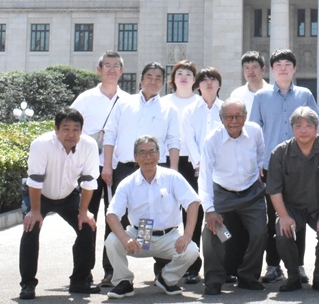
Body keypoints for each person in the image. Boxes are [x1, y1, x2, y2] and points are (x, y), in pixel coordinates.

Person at [249, 48, 319, 284]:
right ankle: (272, 265)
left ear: (294, 69)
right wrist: (257, 162)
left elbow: (314, 127)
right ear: (271, 69)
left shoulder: (305, 95)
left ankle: (297, 265)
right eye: (278, 64)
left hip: (300, 166)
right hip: (270, 165)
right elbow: (254, 133)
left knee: (297, 216)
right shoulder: (260, 97)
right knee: (274, 216)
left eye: (287, 64)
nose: (283, 68)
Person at [103, 135, 201, 298]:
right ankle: (123, 282)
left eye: (152, 152)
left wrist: (187, 235)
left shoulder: (172, 177)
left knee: (192, 250)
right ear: (135, 157)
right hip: (142, 233)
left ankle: (167, 279)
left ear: (159, 154)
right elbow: (112, 214)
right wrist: (125, 238)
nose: (148, 157)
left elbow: (193, 203)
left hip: (168, 234)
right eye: (142, 153)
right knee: (112, 240)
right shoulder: (128, 183)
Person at [18, 107, 100, 300]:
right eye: (65, 128)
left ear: (82, 130)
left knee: (87, 226)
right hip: (39, 195)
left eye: (75, 129)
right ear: (56, 129)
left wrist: (83, 212)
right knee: (31, 228)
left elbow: (88, 182)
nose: (71, 134)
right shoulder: (41, 144)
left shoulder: (89, 145)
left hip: (69, 194)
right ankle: (28, 284)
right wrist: (35, 212)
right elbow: (35, 180)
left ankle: (80, 280)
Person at [265, 106, 319, 293]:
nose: (303, 130)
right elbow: (274, 190)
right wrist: (283, 216)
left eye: (308, 125)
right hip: (292, 207)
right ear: (292, 128)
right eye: (298, 125)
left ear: (316, 128)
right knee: (281, 231)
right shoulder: (280, 153)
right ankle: (293, 277)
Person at [199, 100, 268, 295]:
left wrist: (256, 175)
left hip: (251, 193)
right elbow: (204, 176)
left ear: (246, 117)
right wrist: (210, 210)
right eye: (228, 117)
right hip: (222, 194)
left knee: (259, 233)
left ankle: (248, 276)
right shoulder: (212, 139)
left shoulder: (255, 131)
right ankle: (214, 279)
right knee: (214, 234)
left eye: (238, 116)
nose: (234, 121)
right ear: (221, 119)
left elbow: (260, 155)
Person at [69, 50, 124, 287]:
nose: (112, 69)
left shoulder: (128, 100)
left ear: (122, 71)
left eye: (116, 66)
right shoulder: (85, 99)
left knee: (115, 218)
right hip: (89, 169)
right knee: (86, 220)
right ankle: (82, 273)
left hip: (117, 168)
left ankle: (111, 271)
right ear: (98, 69)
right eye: (107, 65)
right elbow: (69, 129)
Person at [101, 62, 180, 191]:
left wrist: (174, 171)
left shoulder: (170, 109)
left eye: (158, 78)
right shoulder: (123, 103)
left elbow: (174, 141)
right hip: (124, 169)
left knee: (155, 210)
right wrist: (107, 166)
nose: (153, 81)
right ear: (141, 79)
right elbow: (110, 134)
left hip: (156, 171)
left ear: (163, 83)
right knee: (121, 210)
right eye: (149, 77)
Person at [180, 67, 224, 283]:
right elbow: (188, 139)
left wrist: (213, 167)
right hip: (193, 170)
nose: (208, 83)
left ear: (219, 84)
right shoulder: (189, 111)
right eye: (204, 80)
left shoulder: (226, 109)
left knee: (221, 218)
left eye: (213, 79)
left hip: (222, 172)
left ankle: (223, 266)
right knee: (193, 218)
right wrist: (200, 165)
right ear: (197, 85)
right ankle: (191, 266)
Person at [162, 59, 202, 284]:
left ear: (194, 80)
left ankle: (192, 263)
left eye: (188, 73)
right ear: (173, 79)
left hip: (192, 162)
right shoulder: (164, 102)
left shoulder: (200, 103)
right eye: (179, 73)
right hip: (167, 161)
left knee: (193, 212)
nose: (184, 76)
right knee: (166, 210)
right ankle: (164, 263)